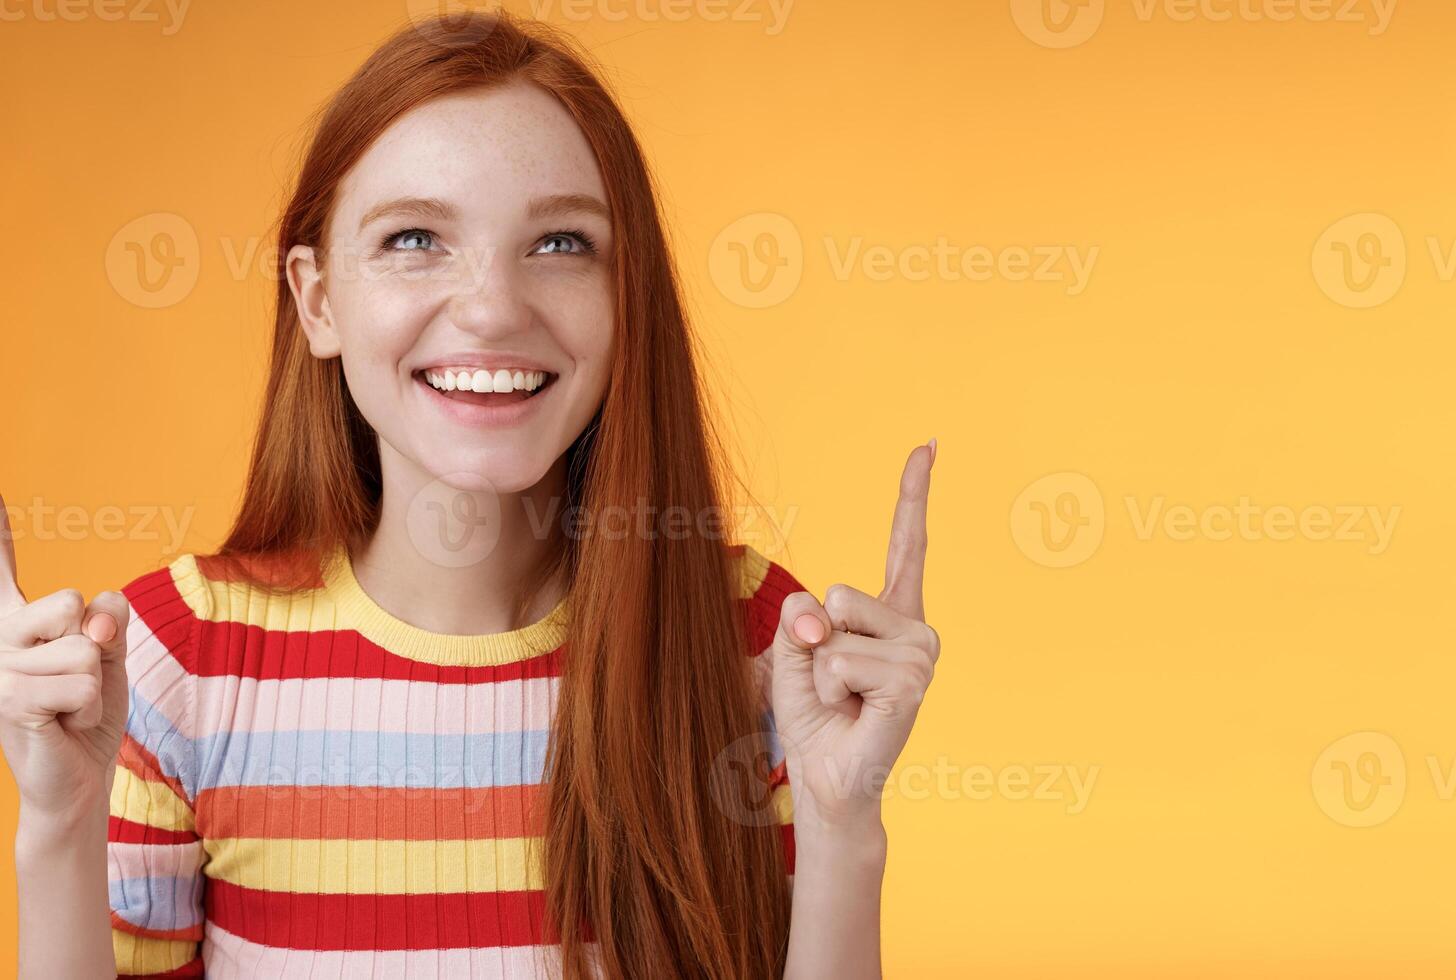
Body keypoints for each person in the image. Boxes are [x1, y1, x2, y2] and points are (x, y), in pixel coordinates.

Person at [0, 12, 938, 979]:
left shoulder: (759, 642)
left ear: (629, 296)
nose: (492, 307)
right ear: (318, 301)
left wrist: (843, 826)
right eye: (415, 237)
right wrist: (57, 830)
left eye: (563, 244)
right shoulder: (172, 666)